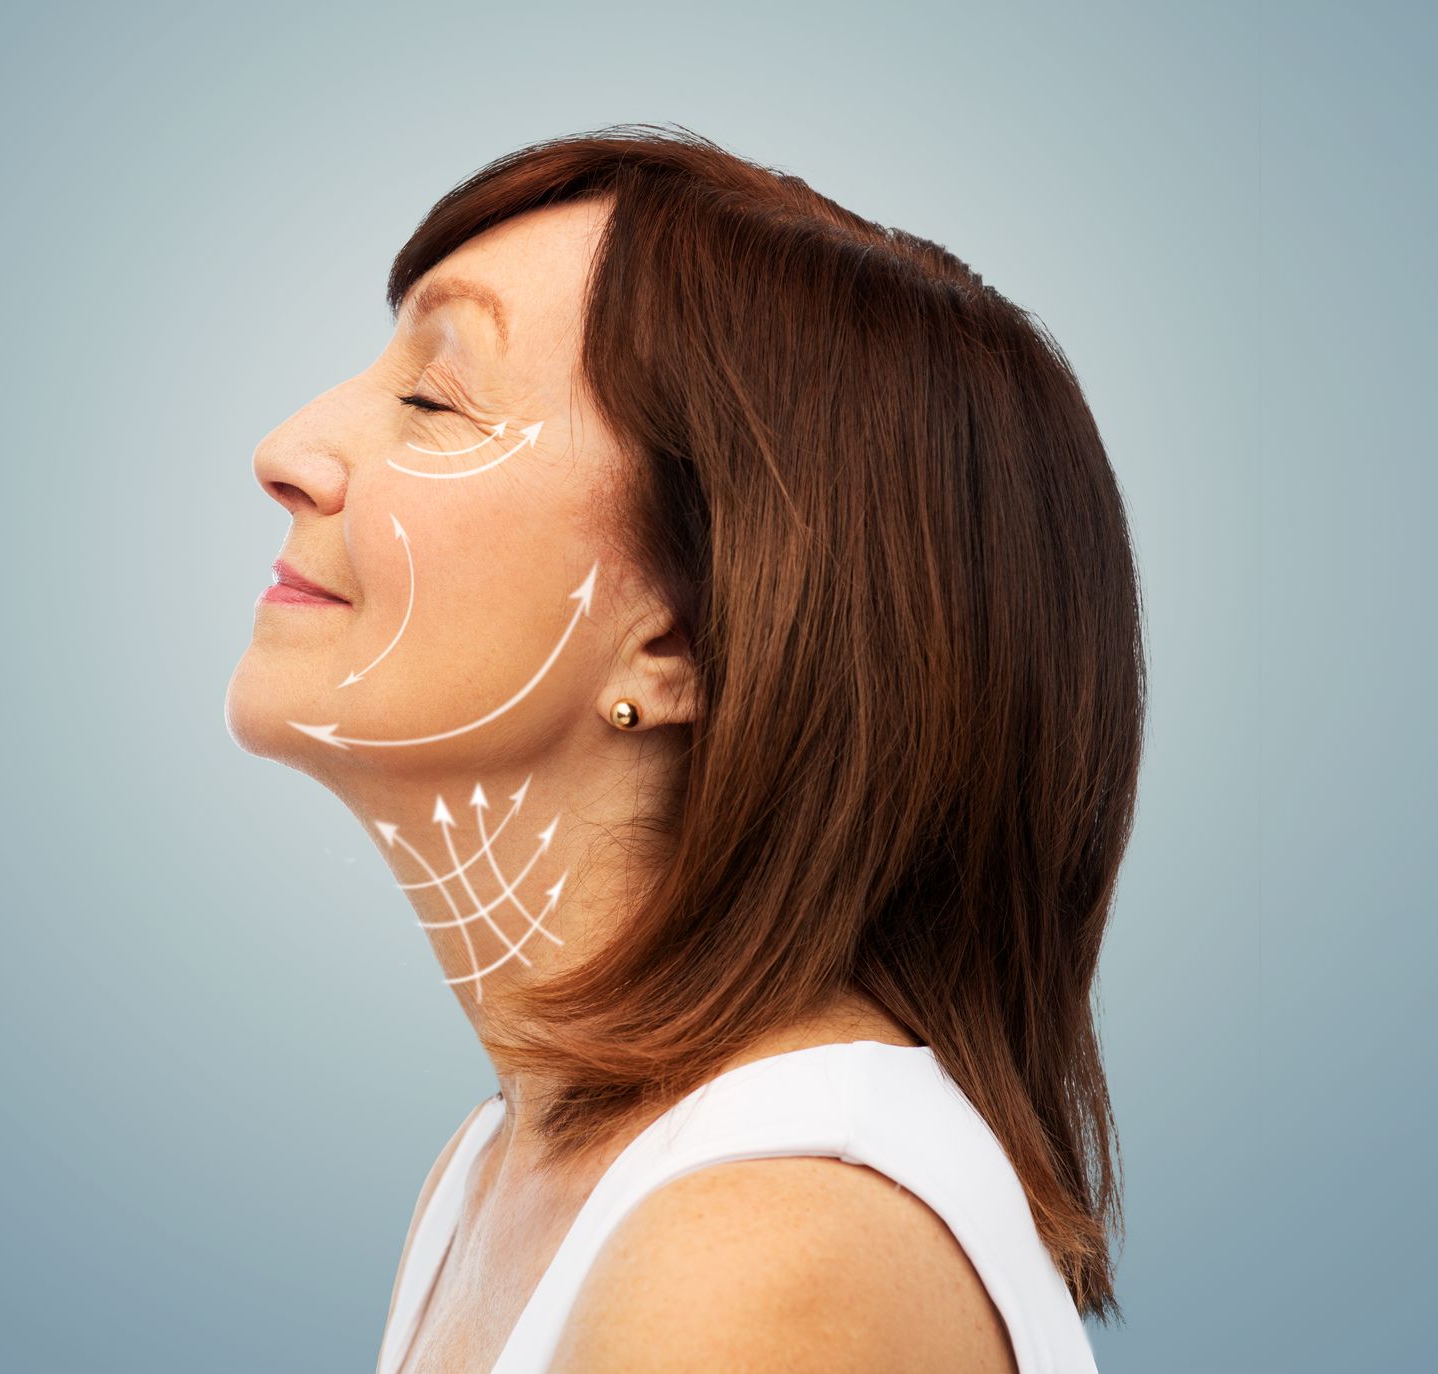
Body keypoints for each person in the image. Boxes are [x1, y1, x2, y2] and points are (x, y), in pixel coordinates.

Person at [225, 123, 1137, 1373]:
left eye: (434, 399)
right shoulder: (499, 1172)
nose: (286, 452)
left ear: (685, 641)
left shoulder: (759, 1254)